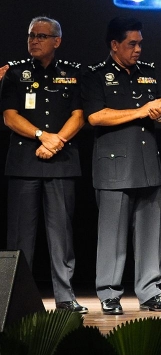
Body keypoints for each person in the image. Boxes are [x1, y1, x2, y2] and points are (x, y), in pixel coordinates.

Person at [81, 17, 161, 315]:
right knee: (112, 234)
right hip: (115, 167)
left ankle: (150, 291)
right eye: (131, 44)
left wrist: (160, 114)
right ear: (114, 45)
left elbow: (157, 111)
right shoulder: (96, 75)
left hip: (147, 163)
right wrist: (141, 111)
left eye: (140, 43)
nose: (138, 49)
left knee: (150, 233)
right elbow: (95, 117)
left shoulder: (147, 73)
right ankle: (109, 292)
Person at [1, 17, 86, 313]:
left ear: (56, 41)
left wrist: (57, 142)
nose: (34, 40)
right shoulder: (15, 73)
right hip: (25, 162)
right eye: (31, 36)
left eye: (41, 36)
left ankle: (65, 296)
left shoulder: (73, 74)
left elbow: (79, 115)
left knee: (61, 233)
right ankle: (13, 297)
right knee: (20, 235)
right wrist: (42, 136)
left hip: (60, 162)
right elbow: (9, 116)